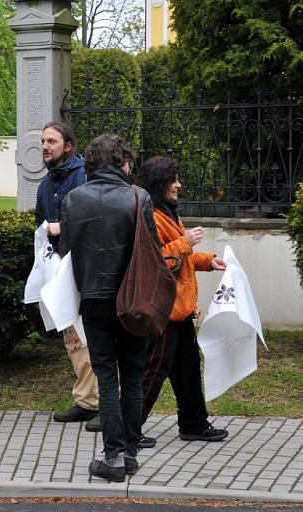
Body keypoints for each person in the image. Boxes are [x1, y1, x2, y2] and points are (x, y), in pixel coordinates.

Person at [60, 134, 157, 482]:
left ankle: (112, 456)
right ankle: (128, 452)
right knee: (132, 376)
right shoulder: (138, 197)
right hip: (133, 299)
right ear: (122, 162)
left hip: (93, 299)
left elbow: (66, 251)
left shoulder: (73, 199)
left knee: (106, 375)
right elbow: (153, 253)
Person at [136, 156, 228, 448]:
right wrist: (186, 242)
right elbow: (156, 261)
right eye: (172, 180)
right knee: (154, 370)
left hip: (180, 309)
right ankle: (129, 428)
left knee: (188, 367)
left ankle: (194, 424)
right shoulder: (150, 216)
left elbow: (181, 259)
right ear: (158, 184)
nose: (178, 184)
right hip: (165, 311)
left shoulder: (168, 213)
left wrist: (207, 260)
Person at [35, 122, 100, 431]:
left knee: (91, 334)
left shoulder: (84, 176)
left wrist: (64, 225)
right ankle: (87, 401)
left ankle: (104, 402)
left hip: (88, 269)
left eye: (52, 141)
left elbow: (95, 219)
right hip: (59, 269)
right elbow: (40, 225)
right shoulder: (45, 185)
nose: (45, 146)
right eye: (43, 141)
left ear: (69, 146)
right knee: (71, 335)